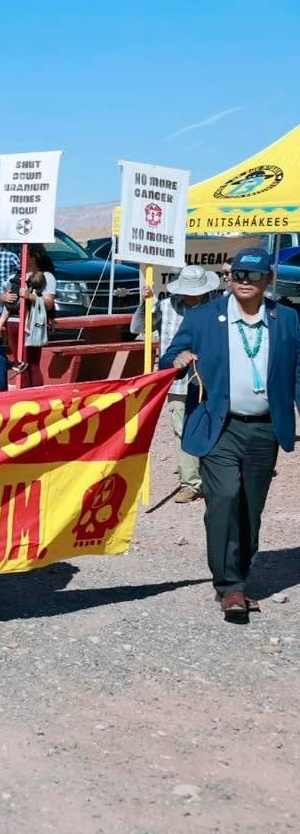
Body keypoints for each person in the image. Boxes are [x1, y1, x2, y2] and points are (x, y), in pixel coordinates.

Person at [160, 247, 300, 623]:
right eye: (239, 275)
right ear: (229, 278)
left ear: (268, 281)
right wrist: (177, 361)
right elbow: (169, 357)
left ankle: (238, 566)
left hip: (266, 428)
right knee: (223, 496)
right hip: (217, 424)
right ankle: (230, 586)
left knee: (250, 508)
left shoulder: (286, 319)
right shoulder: (204, 317)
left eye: (254, 276)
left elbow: (297, 372)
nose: (245, 282)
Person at [130, 265, 218, 503]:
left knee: (213, 427)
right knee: (182, 430)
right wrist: (145, 304)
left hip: (212, 382)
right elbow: (137, 328)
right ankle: (191, 482)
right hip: (178, 383)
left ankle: (213, 478)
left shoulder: (218, 308)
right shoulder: (166, 306)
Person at [3, 248, 57, 385]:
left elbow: (49, 303)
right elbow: (3, 297)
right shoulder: (15, 276)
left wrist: (30, 296)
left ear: (33, 257)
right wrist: (3, 298)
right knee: (18, 363)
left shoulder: (46, 276)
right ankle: (23, 394)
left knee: (31, 364)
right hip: (13, 322)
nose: (20, 258)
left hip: (32, 324)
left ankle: (34, 395)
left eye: (24, 255)